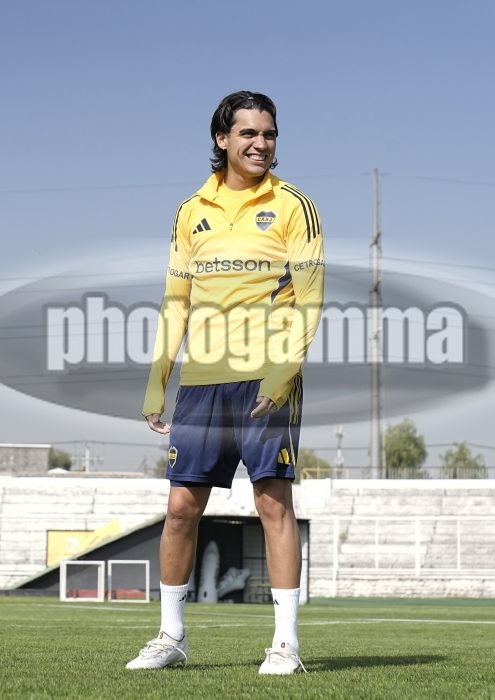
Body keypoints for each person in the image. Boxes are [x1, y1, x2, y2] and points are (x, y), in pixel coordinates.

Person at [126, 91, 325, 675]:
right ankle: (171, 636)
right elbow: (176, 301)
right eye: (249, 133)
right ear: (222, 139)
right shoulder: (191, 211)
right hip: (202, 383)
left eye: (269, 133)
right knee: (180, 508)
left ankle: (285, 645)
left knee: (273, 504)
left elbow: (310, 300)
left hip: (266, 377)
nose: (261, 143)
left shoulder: (294, 206)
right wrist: (158, 381)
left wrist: (282, 374)